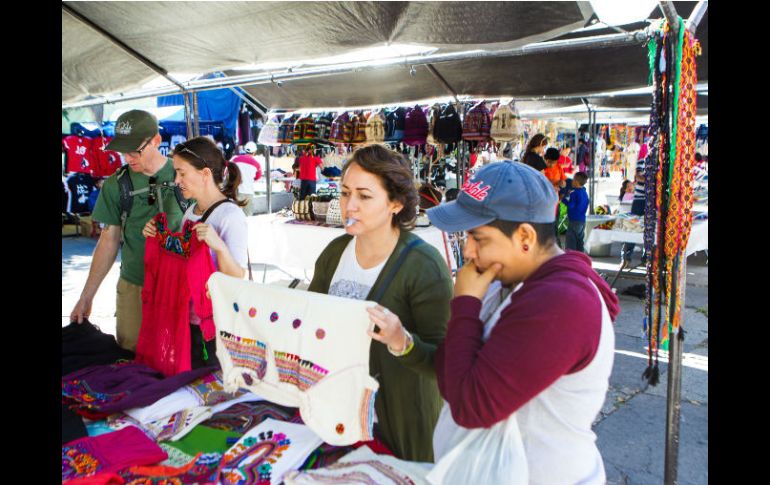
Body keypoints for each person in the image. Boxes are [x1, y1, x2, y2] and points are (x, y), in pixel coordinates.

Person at [426, 161, 618, 484]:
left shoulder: (562, 303)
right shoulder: (506, 282)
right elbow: (450, 377)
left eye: (478, 238)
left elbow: (470, 407)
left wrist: (465, 305)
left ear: (525, 237)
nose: (468, 251)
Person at [308, 144, 453, 462]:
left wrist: (403, 343)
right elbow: (310, 318)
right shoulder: (335, 253)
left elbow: (446, 363)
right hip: (340, 417)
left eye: (364, 195)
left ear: (396, 203)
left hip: (402, 426)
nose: (350, 206)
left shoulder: (423, 265)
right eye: (345, 193)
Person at [69, 110, 186, 351]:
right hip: (134, 285)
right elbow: (108, 241)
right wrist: (86, 296)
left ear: (156, 140)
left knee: (178, 358)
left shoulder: (185, 174)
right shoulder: (115, 184)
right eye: (123, 150)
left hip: (179, 286)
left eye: (135, 150)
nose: (127, 157)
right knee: (131, 357)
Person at [142, 136, 249, 368]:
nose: (177, 180)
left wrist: (218, 246)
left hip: (216, 326)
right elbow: (185, 260)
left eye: (182, 173)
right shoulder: (191, 211)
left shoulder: (231, 216)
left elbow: (238, 277)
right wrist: (159, 238)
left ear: (205, 173)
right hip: (188, 320)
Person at [620, 155, 647, 267]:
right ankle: (625, 258)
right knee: (632, 228)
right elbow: (638, 176)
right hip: (640, 201)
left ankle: (647, 258)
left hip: (654, 201)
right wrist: (652, 179)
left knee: (650, 232)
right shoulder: (644, 160)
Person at [230, 142, 262, 216]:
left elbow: (226, 170)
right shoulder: (257, 164)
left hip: (237, 191)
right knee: (248, 216)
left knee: (236, 215)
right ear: (254, 152)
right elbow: (257, 177)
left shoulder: (235, 159)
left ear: (245, 150)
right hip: (249, 192)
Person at [564, 171, 590, 252]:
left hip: (574, 220)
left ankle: (571, 260)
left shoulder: (574, 193)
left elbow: (571, 206)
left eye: (573, 179)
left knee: (571, 242)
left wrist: (563, 199)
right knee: (579, 242)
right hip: (582, 220)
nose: (572, 181)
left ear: (576, 181)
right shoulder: (584, 192)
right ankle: (580, 259)